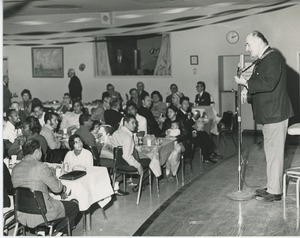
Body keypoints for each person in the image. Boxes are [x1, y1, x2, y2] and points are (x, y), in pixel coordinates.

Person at [234, 30, 294, 202]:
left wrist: (245, 82)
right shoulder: (263, 60)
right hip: (270, 114)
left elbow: (269, 83)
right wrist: (248, 92)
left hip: (275, 114)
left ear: (259, 41)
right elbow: (260, 86)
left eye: (248, 44)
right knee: (271, 153)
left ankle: (275, 192)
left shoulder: (272, 58)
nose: (246, 48)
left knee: (274, 153)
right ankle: (271, 186)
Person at [11, 139, 79, 233]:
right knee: (74, 206)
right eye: (40, 150)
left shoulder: (15, 168)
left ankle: (42, 231)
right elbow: (57, 189)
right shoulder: (41, 167)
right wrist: (53, 174)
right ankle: (58, 232)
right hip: (43, 213)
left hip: (22, 213)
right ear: (36, 152)